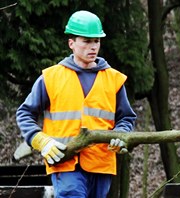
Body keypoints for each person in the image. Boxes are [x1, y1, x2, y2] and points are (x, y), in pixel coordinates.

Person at [16, 10, 136, 198]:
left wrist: (121, 135)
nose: (93, 46)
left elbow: (126, 118)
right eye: (87, 41)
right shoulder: (51, 77)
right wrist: (41, 141)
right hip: (64, 161)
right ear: (71, 43)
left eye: (96, 41)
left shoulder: (114, 79)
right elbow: (25, 113)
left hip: (101, 163)